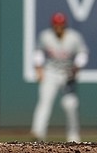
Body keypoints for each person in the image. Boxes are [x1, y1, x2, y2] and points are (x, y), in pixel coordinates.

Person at [30, 12, 89, 142]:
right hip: (50, 72)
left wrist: (77, 67)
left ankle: (73, 136)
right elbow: (39, 52)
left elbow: (82, 54)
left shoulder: (74, 37)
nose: (58, 27)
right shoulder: (46, 36)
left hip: (67, 74)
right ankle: (38, 133)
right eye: (56, 24)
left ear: (65, 25)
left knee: (70, 105)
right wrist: (39, 69)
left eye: (61, 24)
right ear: (53, 25)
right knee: (45, 102)